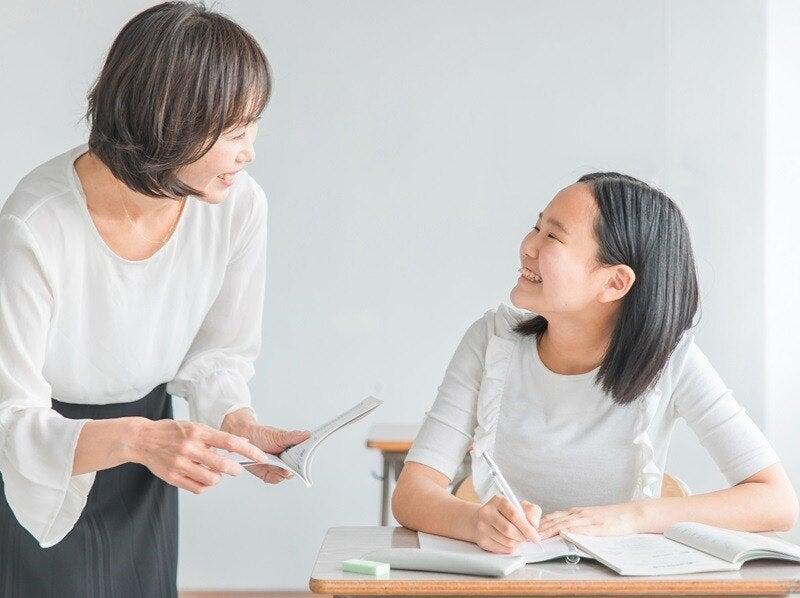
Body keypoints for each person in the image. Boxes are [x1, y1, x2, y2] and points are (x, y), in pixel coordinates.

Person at [0, 3, 308, 596]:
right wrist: (138, 439)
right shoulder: (35, 224)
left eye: (253, 127)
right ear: (169, 121)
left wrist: (238, 425)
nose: (250, 153)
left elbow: (218, 357)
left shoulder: (240, 206)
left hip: (149, 454)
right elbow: (12, 420)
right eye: (234, 132)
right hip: (37, 459)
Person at [392, 172, 799, 554]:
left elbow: (776, 501)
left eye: (552, 236)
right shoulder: (490, 340)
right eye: (537, 227)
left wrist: (634, 517)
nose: (528, 245)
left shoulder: (671, 359)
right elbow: (412, 492)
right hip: (509, 582)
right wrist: (475, 522)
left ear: (614, 282)